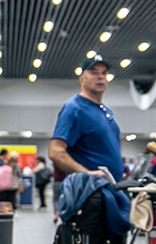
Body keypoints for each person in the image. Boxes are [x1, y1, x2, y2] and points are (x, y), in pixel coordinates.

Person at [47, 53, 122, 228]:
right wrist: (85, 172)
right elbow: (56, 152)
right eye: (94, 72)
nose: (100, 76)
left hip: (110, 192)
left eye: (104, 73)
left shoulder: (107, 111)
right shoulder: (74, 108)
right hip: (89, 196)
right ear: (82, 78)